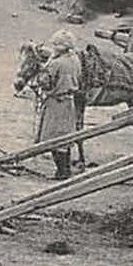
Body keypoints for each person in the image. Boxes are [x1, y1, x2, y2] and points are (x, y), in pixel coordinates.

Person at [35, 30, 83, 180]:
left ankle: (62, 171)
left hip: (56, 103)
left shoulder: (56, 63)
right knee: (65, 137)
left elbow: (44, 82)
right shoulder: (75, 60)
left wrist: (44, 67)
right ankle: (65, 169)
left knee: (54, 137)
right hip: (70, 102)